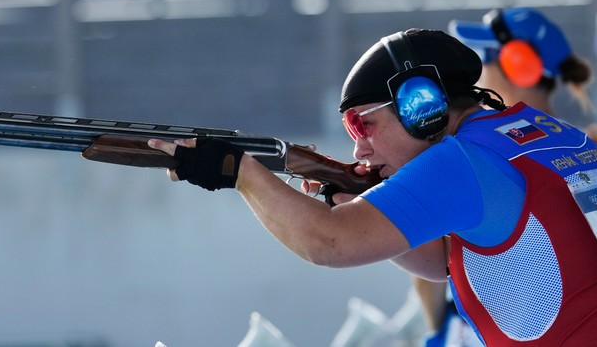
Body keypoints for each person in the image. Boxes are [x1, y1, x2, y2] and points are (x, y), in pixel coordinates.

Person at [148, 27, 597, 346]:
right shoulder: (537, 130)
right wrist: (358, 200)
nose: (359, 149)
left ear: (421, 105)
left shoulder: (460, 162)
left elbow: (328, 241)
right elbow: (457, 259)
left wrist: (238, 171)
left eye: (364, 123)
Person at [407, 7, 597, 346]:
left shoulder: (473, 157)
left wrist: (437, 331)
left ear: (518, 64)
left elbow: (431, 274)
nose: (476, 70)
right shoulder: (583, 146)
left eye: (484, 56)